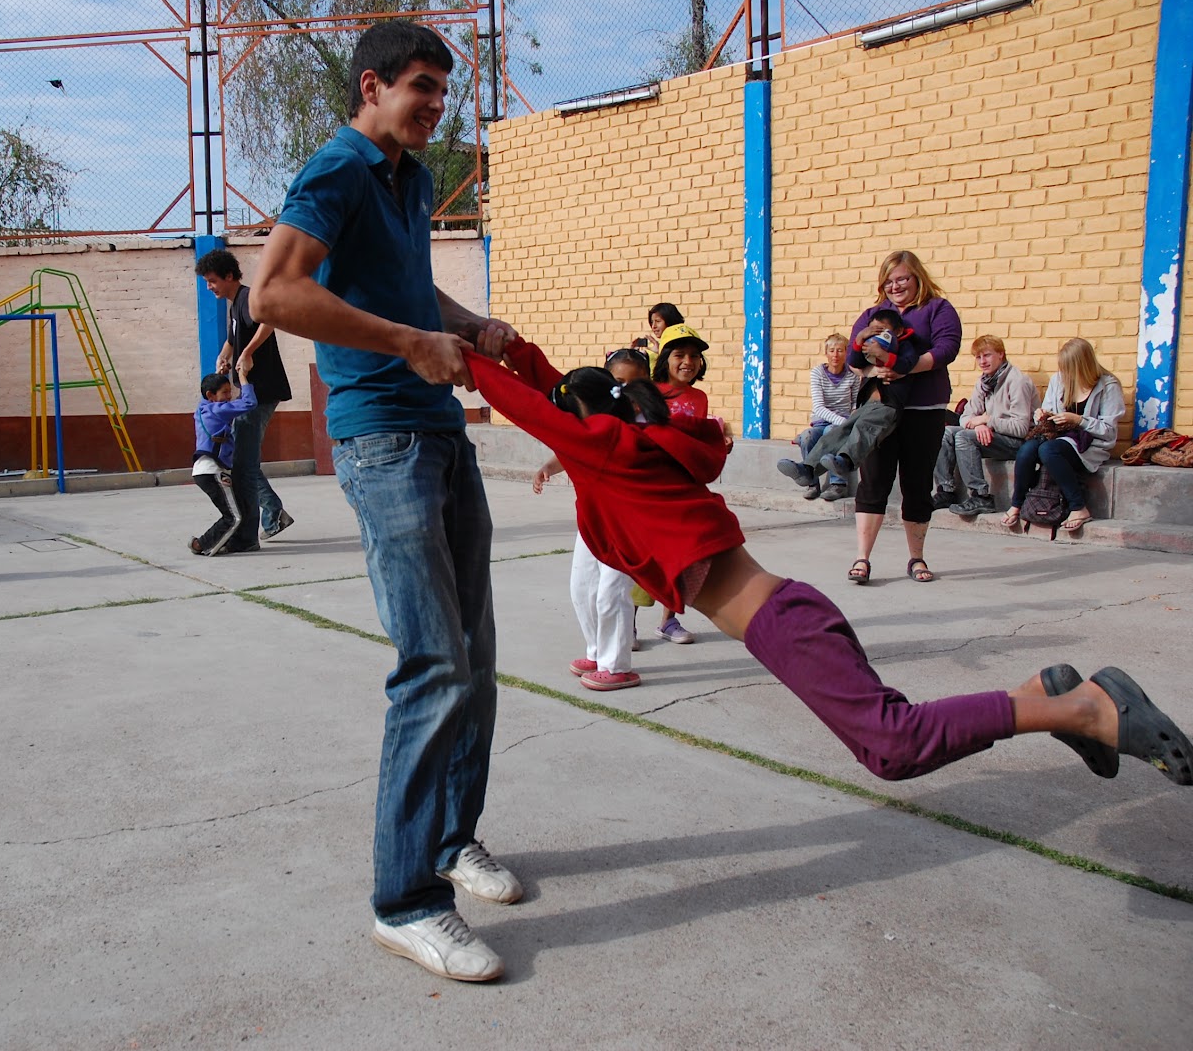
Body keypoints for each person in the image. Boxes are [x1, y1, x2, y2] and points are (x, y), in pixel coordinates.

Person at [467, 337, 1192, 806]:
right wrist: (504, 345)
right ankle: (1045, 695)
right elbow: (554, 390)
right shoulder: (627, 447)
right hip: (788, 611)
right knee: (892, 743)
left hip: (781, 624)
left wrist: (462, 362)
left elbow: (537, 407)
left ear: (588, 426)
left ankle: (1088, 707)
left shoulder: (610, 450)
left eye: (571, 426)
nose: (561, 437)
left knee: (894, 746)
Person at [249, 20, 522, 984]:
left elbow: (409, 293)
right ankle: (405, 903)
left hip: (439, 433)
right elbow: (273, 295)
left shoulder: (403, 180)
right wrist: (408, 346)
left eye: (444, 93)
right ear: (371, 85)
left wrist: (465, 322)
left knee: (475, 663)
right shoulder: (338, 169)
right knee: (432, 665)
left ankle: (451, 842)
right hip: (384, 438)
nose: (435, 108)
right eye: (421, 89)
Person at [532, 346, 653, 688]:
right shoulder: (589, 422)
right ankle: (597, 651)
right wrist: (548, 467)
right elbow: (569, 449)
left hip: (624, 525)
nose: (624, 391)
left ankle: (618, 666)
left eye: (634, 383)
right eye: (618, 382)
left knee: (612, 594)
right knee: (582, 587)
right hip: (591, 521)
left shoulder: (644, 425)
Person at [847, 251, 962, 586]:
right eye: (889, 280)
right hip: (881, 409)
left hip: (924, 409)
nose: (895, 286)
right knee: (873, 481)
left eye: (902, 279)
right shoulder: (873, 314)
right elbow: (856, 354)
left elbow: (946, 349)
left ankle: (917, 557)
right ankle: (862, 558)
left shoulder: (938, 309)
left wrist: (906, 366)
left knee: (917, 484)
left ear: (917, 278)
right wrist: (873, 369)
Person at [195, 248, 295, 549]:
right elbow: (234, 335)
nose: (209, 287)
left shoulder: (250, 297)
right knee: (242, 461)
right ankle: (267, 518)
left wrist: (248, 353)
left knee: (244, 466)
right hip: (253, 392)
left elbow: (270, 319)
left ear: (228, 276)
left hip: (261, 391)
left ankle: (250, 533)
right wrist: (227, 352)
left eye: (212, 281)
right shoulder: (235, 304)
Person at [776, 308, 920, 492]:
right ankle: (808, 468)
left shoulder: (906, 345)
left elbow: (907, 364)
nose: (874, 336)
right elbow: (855, 362)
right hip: (868, 404)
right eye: (871, 330)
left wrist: (883, 354)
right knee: (840, 431)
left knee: (864, 429)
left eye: (881, 331)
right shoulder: (869, 347)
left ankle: (845, 461)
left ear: (898, 332)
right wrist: (860, 340)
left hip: (888, 405)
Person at [651, 323, 727, 644]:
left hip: (684, 487)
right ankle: (628, 623)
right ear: (665, 357)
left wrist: (718, 443)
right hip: (652, 487)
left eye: (694, 356)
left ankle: (669, 620)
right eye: (679, 354)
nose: (688, 362)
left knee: (682, 556)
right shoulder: (649, 392)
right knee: (646, 559)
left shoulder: (699, 397)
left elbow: (696, 440)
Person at [1002, 337, 1125, 533]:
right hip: (1059, 435)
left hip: (1089, 442)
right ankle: (1017, 503)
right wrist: (1042, 414)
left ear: (1083, 366)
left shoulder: (1108, 385)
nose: (1065, 373)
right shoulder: (1059, 380)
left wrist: (1078, 420)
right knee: (1027, 450)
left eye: (1069, 368)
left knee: (1049, 451)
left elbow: (1108, 430)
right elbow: (1047, 409)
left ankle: (1079, 507)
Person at [933, 334, 1038, 516]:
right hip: (992, 435)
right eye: (978, 357)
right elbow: (965, 417)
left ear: (1001, 354)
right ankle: (946, 491)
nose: (982, 361)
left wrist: (988, 421)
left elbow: (1021, 429)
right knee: (945, 432)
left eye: (987, 355)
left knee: (964, 437)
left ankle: (981, 496)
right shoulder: (984, 381)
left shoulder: (1017, 381)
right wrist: (978, 424)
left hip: (1017, 443)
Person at [189, 368, 256, 556]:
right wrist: (243, 377)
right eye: (225, 393)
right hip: (213, 471)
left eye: (230, 391)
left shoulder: (203, 409)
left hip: (204, 470)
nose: (229, 396)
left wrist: (219, 374)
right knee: (234, 516)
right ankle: (201, 545)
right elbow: (250, 402)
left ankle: (227, 543)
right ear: (211, 395)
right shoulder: (218, 410)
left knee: (236, 509)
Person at [792, 333, 863, 501]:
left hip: (840, 423)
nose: (835, 355)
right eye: (832, 350)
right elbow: (818, 407)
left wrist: (849, 420)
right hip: (822, 421)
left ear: (846, 353)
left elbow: (855, 403)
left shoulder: (852, 374)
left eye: (840, 350)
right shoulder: (817, 373)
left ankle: (838, 484)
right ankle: (811, 481)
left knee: (832, 432)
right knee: (807, 437)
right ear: (826, 353)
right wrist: (843, 421)